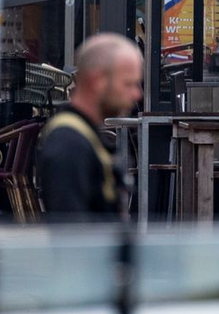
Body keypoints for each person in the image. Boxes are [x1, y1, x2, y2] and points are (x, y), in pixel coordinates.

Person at [37, 33, 143, 221]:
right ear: (97, 81)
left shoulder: (83, 135)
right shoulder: (69, 144)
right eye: (129, 84)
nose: (137, 94)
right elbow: (73, 237)